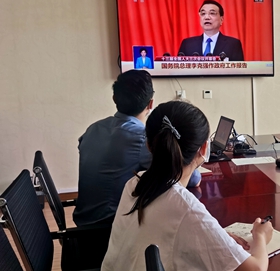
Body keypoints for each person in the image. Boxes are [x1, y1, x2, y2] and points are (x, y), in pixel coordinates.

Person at [86, 100, 273, 271]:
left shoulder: (135, 183)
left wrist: (215, 237)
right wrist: (260, 237)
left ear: (149, 144)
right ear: (204, 149)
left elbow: (167, 232)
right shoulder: (184, 209)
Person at [74, 70, 201, 227]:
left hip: (84, 221)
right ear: (151, 104)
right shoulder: (142, 137)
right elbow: (190, 179)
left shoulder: (93, 128)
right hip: (111, 226)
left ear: (114, 98)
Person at [178, 0, 244, 61]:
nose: (207, 17)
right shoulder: (187, 44)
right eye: (203, 14)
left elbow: (239, 68)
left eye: (212, 13)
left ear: (221, 20)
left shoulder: (233, 44)